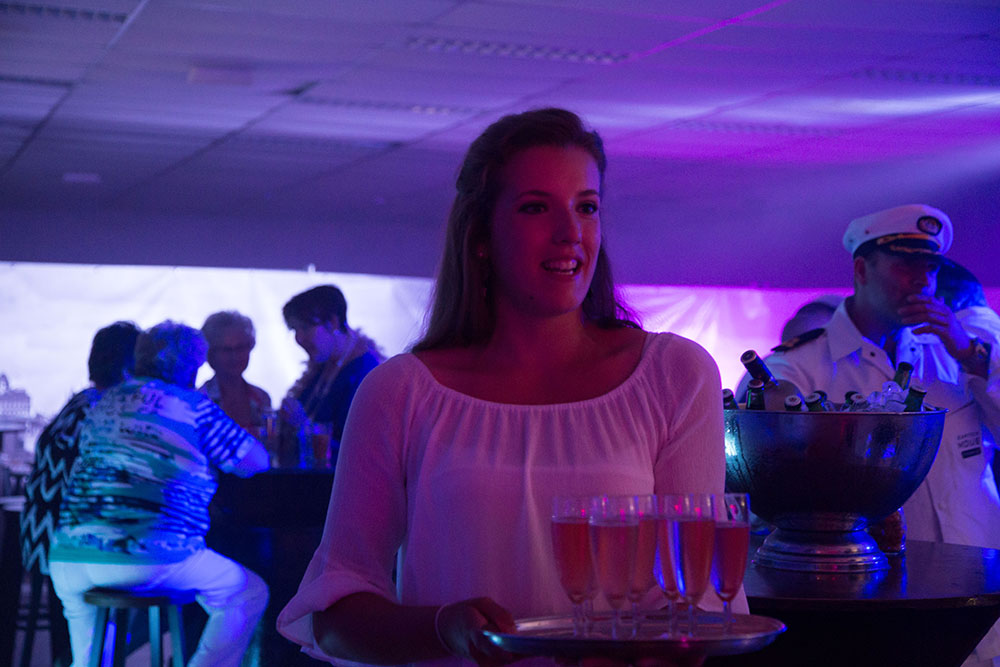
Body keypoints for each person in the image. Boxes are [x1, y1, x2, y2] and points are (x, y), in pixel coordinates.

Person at [276, 108, 742, 666]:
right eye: (535, 208)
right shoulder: (400, 392)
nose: (570, 233)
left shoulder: (673, 374)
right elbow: (336, 614)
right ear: (481, 236)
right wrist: (443, 628)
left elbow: (698, 599)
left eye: (586, 207)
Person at [759, 205, 1000, 665]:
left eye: (931, 267)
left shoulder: (956, 353)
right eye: (905, 264)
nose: (922, 281)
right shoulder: (801, 368)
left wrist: (971, 354)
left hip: (984, 602)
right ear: (861, 269)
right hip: (880, 611)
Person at [48, 321, 271, 667]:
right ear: (192, 367)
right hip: (149, 555)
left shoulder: (105, 402)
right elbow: (255, 462)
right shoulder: (193, 406)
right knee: (247, 593)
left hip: (69, 558)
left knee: (90, 659)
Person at [19, 321, 140, 665]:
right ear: (129, 366)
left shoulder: (82, 402)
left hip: (46, 542)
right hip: (72, 545)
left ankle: (88, 654)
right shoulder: (107, 411)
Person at [279, 285, 382, 463]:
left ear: (333, 322)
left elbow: (360, 450)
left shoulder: (365, 372)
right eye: (295, 330)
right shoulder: (322, 367)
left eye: (305, 327)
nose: (299, 338)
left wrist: (303, 426)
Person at [199, 310, 272, 434]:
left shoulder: (261, 398)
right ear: (210, 354)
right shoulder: (200, 400)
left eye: (241, 348)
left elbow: (270, 440)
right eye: (226, 350)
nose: (235, 357)